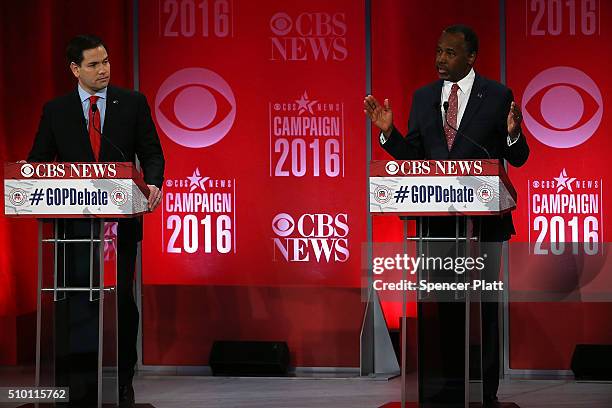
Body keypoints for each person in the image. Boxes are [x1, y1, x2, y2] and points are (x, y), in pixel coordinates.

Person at [364, 24, 529, 406]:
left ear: (470, 57)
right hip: (435, 225)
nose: (440, 59)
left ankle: (485, 393)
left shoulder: (498, 95)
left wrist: (512, 135)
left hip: (485, 224)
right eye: (438, 51)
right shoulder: (424, 98)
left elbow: (518, 158)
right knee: (444, 306)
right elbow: (415, 160)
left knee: (484, 307)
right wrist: (390, 135)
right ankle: (447, 388)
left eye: (450, 53)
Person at [27, 34, 164, 407]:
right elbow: (36, 162)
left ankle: (122, 381)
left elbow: (151, 152)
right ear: (75, 69)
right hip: (74, 228)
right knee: (75, 302)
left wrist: (152, 183)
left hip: (120, 224)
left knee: (119, 299)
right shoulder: (56, 111)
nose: (103, 70)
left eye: (106, 61)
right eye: (93, 64)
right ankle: (75, 384)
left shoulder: (132, 103)